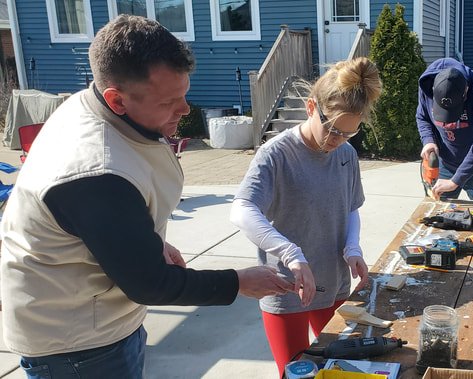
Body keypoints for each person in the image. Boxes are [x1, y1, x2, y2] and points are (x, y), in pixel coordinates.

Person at [0, 15, 294, 378]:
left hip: (98, 316)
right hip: (75, 345)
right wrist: (239, 281)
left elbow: (106, 223)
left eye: (184, 94)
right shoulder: (94, 171)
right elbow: (149, 284)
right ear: (116, 99)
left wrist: (144, 239)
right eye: (170, 102)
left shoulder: (101, 107)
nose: (185, 110)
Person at [229, 57, 381, 377]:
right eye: (332, 129)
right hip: (287, 290)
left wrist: (352, 248)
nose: (336, 140)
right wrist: (291, 253)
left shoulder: (346, 154)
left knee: (341, 368)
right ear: (312, 107)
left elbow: (351, 207)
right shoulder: (276, 154)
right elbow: (242, 209)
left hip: (333, 283)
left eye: (347, 134)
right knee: (297, 372)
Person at [416, 58, 473, 201]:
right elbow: (422, 117)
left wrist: (456, 181)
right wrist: (428, 141)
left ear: (466, 90)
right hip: (446, 163)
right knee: (436, 214)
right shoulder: (427, 84)